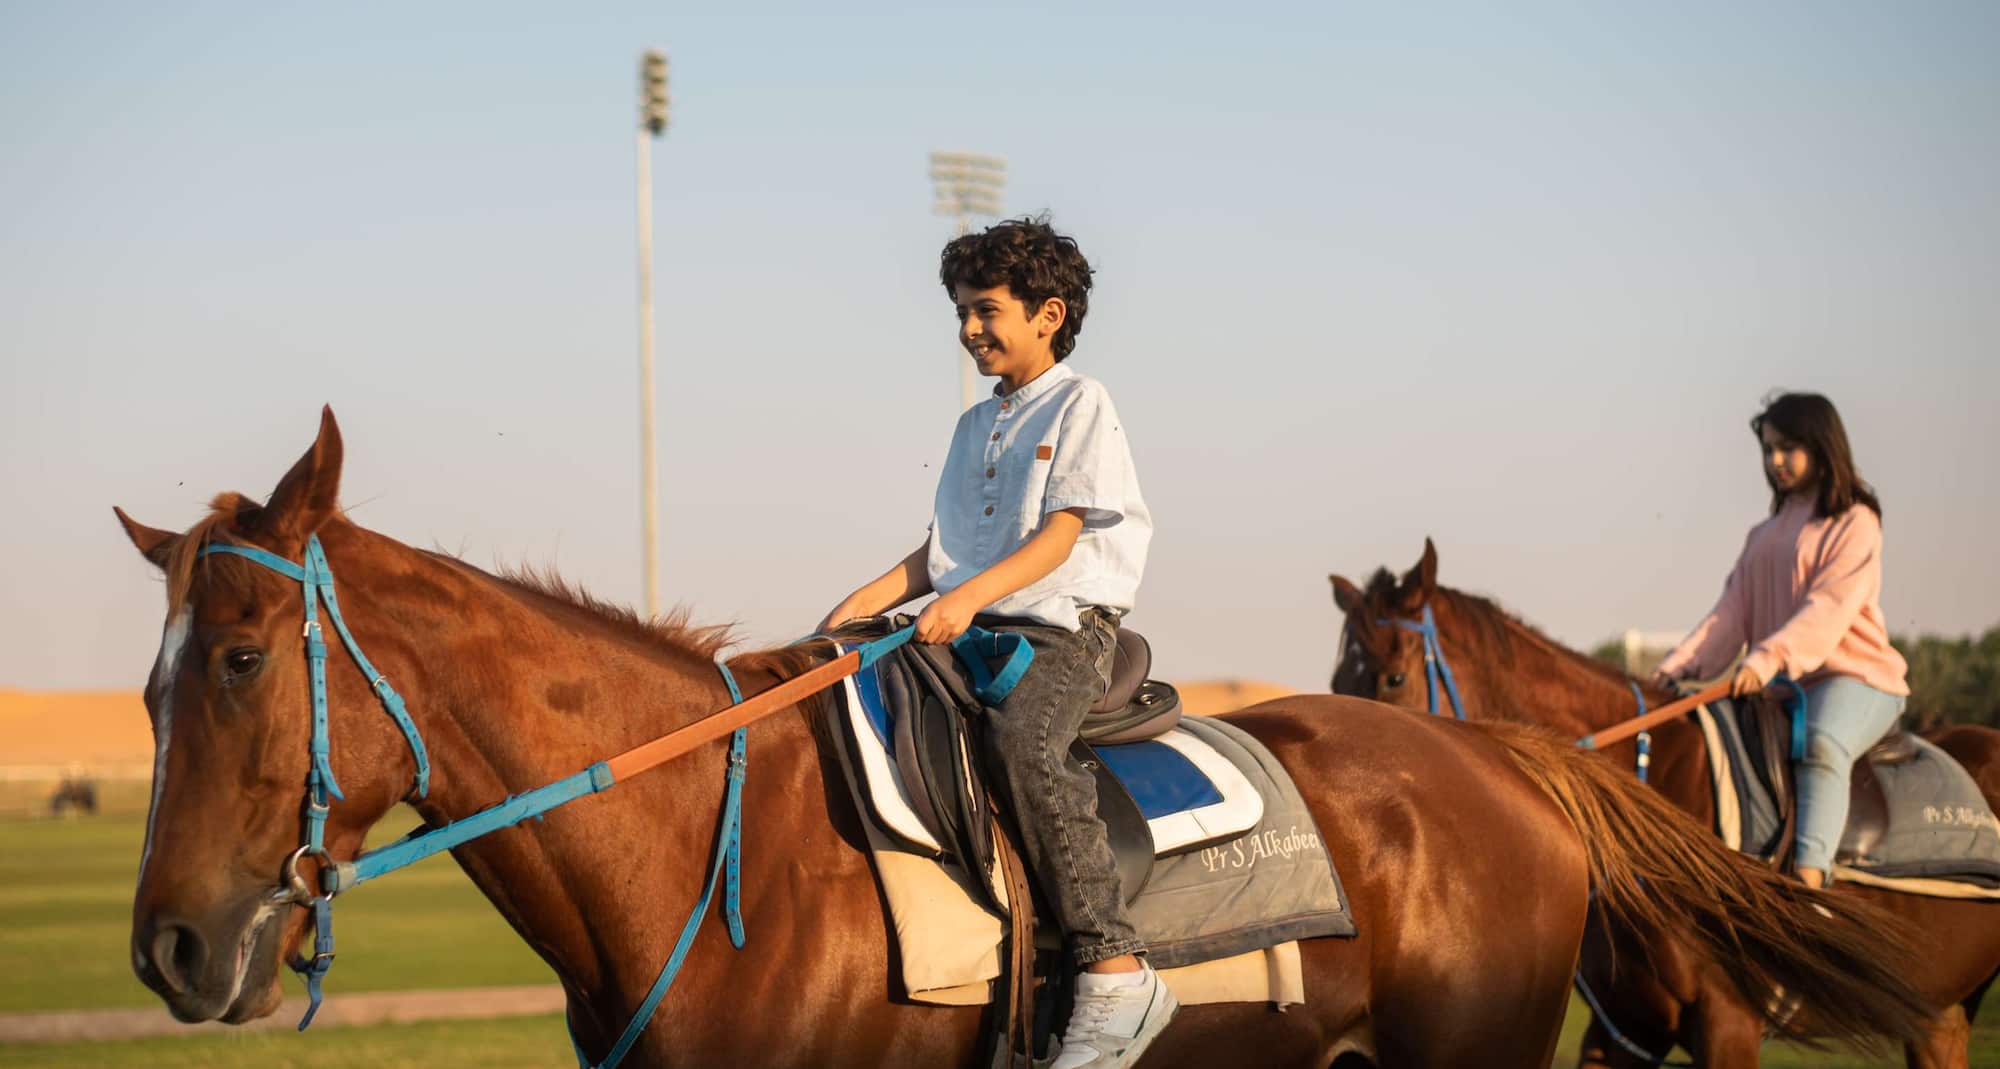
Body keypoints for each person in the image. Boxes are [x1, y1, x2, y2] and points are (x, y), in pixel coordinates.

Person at [820, 217, 1174, 1068]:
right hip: (972, 624)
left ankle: (1116, 969)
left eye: (985, 310)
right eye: (961, 313)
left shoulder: (1083, 403)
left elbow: (1056, 539)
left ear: (1048, 314)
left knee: (1024, 742)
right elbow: (939, 553)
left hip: (1064, 630)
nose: (969, 329)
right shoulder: (970, 426)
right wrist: (848, 613)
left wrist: (967, 598)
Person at [1652, 392, 1909, 889]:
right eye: (1769, 449)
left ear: (1821, 446)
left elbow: (1827, 611)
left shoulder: (1856, 522)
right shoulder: (1764, 535)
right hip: (1781, 683)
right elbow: (1729, 616)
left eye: (1787, 448)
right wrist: (1676, 668)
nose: (1774, 461)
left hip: (1854, 680)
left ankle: (1809, 889)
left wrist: (1768, 657)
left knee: (1822, 744)